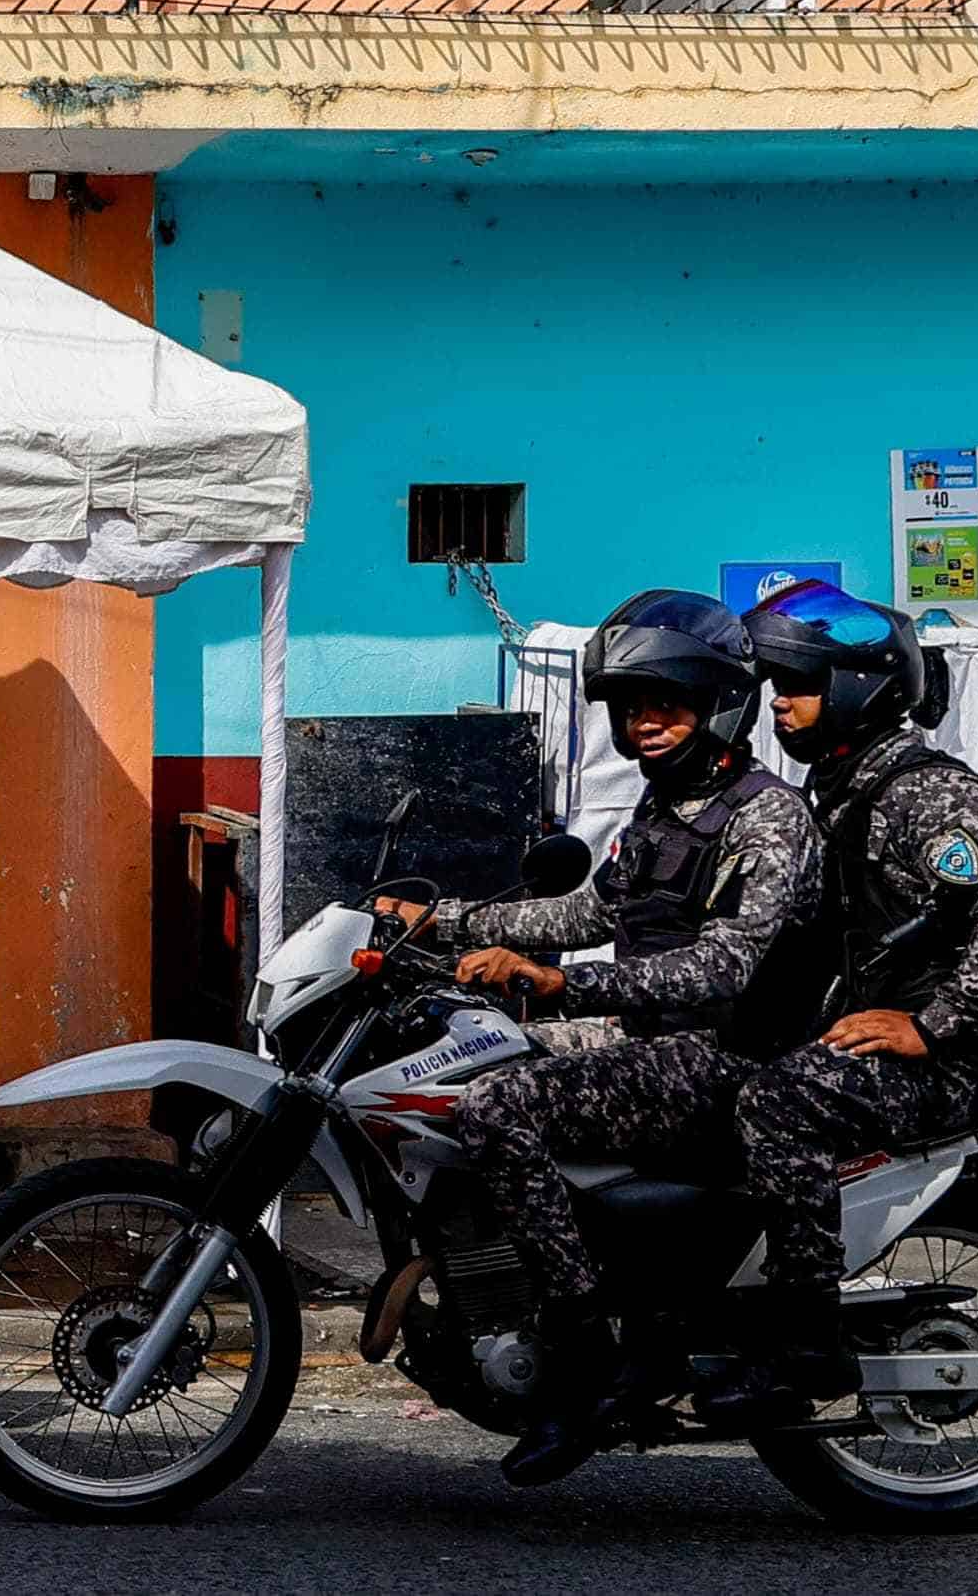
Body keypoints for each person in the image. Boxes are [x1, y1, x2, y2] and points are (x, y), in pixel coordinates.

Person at [369, 588, 825, 1483]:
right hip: (658, 1048)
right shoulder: (664, 809)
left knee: (499, 1106)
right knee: (477, 1064)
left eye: (666, 704)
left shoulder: (764, 815)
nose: (647, 723)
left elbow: (723, 967)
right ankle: (553, 1301)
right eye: (632, 707)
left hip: (729, 1060)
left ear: (714, 705)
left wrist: (564, 982)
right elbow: (590, 908)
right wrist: (443, 921)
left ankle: (585, 1363)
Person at [711, 580, 978, 1426]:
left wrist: (932, 1025)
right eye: (774, 686)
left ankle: (802, 1344)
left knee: (777, 1102)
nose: (779, 704)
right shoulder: (838, 788)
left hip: (953, 1064)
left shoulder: (922, 791)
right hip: (879, 1040)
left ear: (856, 685)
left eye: (798, 684)